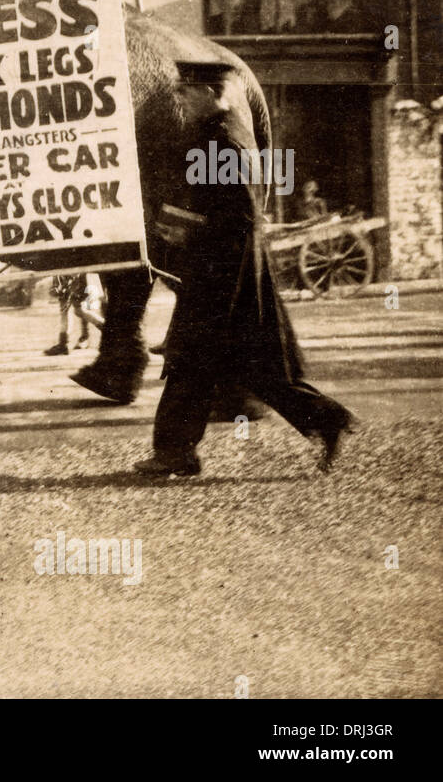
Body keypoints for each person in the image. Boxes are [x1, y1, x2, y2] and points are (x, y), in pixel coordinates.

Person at [135, 61, 357, 476]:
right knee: (246, 365)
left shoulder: (221, 139)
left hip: (222, 274)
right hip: (226, 270)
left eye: (186, 91)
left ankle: (175, 453)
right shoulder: (218, 133)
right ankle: (325, 419)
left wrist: (187, 234)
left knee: (195, 359)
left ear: (210, 92)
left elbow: (238, 216)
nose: (180, 98)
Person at [44, 273, 104, 355]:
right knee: (78, 310)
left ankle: (63, 344)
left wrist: (63, 283)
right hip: (75, 275)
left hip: (72, 275)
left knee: (66, 309)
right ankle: (107, 329)